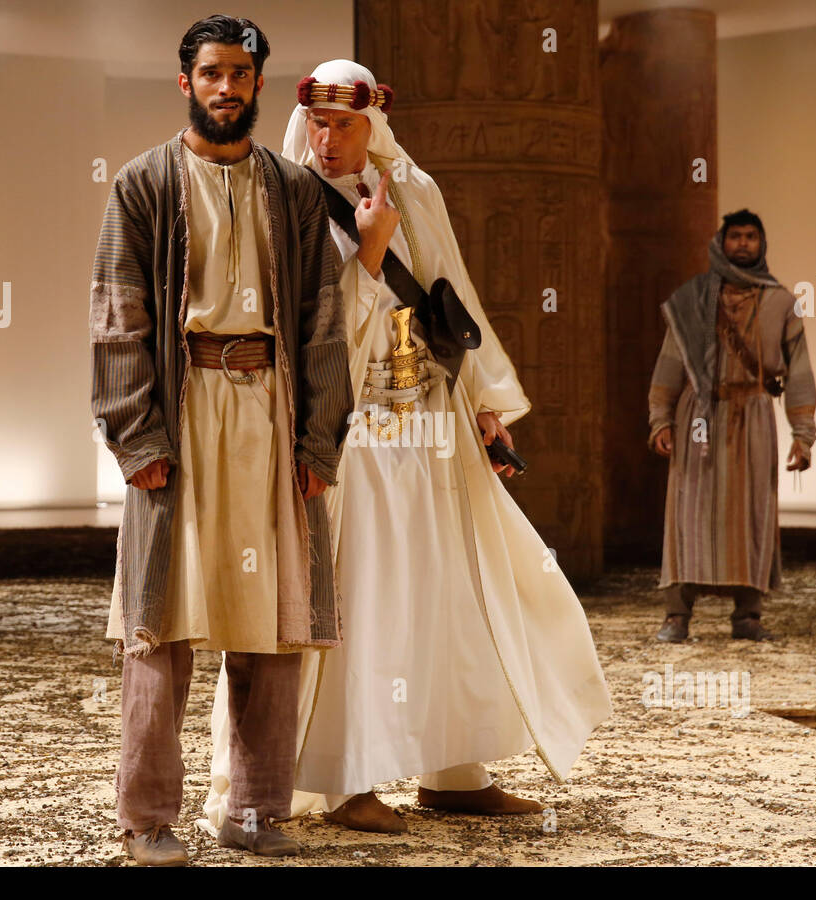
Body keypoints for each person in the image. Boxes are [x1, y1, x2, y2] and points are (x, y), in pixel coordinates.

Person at [200, 60, 612, 837]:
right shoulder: (281, 203)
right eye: (317, 123)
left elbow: (453, 293)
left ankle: (454, 770)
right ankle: (345, 777)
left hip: (428, 420)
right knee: (360, 597)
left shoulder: (416, 192)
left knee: (446, 589)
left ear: (375, 123)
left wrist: (486, 401)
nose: (326, 139)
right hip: (346, 430)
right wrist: (366, 253)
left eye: (344, 124)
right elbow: (299, 328)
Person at [90, 16, 352, 863]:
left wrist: (318, 444)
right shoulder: (140, 183)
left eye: (241, 73)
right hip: (183, 410)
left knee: (270, 626)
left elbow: (322, 323)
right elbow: (118, 319)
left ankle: (254, 811)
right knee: (161, 624)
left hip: (271, 415)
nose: (226, 87)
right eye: (211, 73)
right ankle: (148, 817)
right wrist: (137, 437)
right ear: (186, 83)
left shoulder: (296, 191)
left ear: (257, 85)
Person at [647, 209, 816, 643]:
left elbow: (798, 371)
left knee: (752, 511)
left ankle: (748, 615)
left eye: (751, 237)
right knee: (688, 511)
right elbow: (670, 364)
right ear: (722, 243)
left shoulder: (781, 301)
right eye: (735, 236)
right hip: (698, 418)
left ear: (762, 244)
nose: (743, 244)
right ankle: (677, 615)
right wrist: (661, 418)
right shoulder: (693, 300)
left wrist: (803, 433)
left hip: (753, 415)